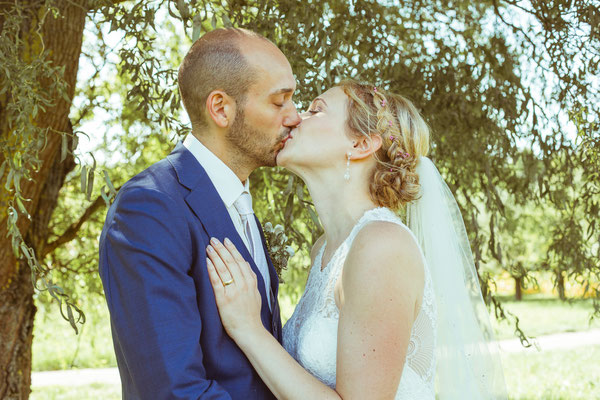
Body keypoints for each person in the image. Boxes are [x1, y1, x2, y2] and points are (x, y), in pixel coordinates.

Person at [205, 81, 508, 399]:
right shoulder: (325, 248)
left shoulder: (381, 246)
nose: (296, 117)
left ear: (362, 144)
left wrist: (249, 330)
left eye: (316, 110)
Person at [98, 28, 301, 399]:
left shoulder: (239, 202)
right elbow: (172, 391)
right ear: (221, 108)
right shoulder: (150, 207)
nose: (295, 117)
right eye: (279, 102)